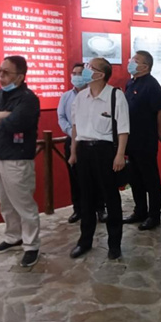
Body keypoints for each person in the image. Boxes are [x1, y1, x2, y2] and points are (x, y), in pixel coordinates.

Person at [0, 55, 41, 267]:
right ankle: (13, 237)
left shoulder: (28, 99)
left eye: (6, 72)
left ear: (20, 76)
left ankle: (31, 245)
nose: (0, 76)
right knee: (5, 202)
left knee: (23, 204)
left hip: (17, 158)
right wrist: (4, 115)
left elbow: (15, 124)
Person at [68, 58, 128, 260]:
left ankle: (114, 244)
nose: (84, 70)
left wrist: (120, 155)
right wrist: (73, 152)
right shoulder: (80, 97)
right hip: (84, 151)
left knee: (111, 198)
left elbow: (123, 129)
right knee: (86, 198)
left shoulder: (115, 96)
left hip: (105, 151)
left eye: (89, 67)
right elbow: (75, 127)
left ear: (100, 75)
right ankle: (84, 241)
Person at [57, 63, 107, 225]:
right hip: (72, 140)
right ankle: (78, 209)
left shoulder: (94, 94)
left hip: (91, 141)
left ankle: (100, 208)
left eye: (80, 73)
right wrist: (73, 132)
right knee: (75, 176)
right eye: (74, 73)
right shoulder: (66, 97)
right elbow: (61, 117)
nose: (77, 76)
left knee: (96, 176)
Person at [123, 51, 161, 230]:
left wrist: (158, 131)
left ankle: (154, 215)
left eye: (135, 60)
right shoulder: (130, 83)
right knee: (135, 178)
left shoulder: (152, 85)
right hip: (131, 139)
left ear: (145, 66)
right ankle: (140, 210)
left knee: (150, 179)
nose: (131, 62)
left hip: (146, 140)